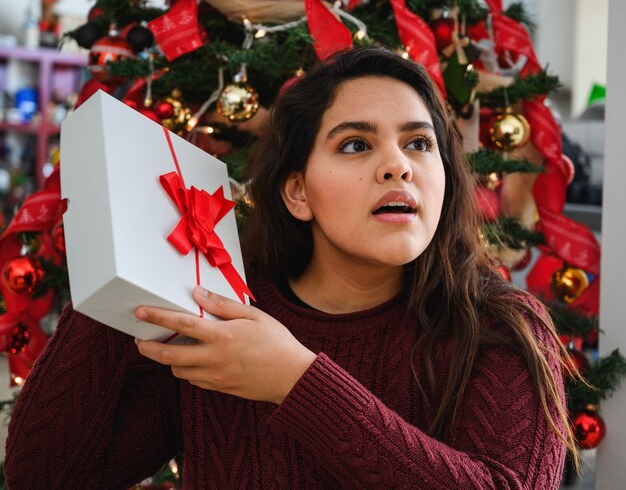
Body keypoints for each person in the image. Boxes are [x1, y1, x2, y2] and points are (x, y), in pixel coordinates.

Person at [5, 46, 577, 489]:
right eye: (356, 144)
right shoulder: (221, 325)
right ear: (297, 192)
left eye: (419, 144)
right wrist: (123, 254)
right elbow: (44, 478)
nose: (397, 166)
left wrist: (295, 382)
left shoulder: (501, 328)